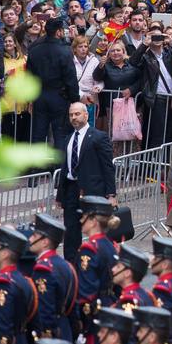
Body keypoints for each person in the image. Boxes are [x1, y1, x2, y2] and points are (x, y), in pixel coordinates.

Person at [54, 102, 117, 262]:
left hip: (92, 192)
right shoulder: (68, 139)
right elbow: (64, 167)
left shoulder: (98, 137)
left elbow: (107, 167)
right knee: (71, 232)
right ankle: (72, 267)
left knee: (96, 231)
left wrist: (111, 194)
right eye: (71, 115)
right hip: (71, 191)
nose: (74, 117)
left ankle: (98, 263)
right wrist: (60, 195)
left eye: (77, 114)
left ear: (86, 115)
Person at [74, 196, 119, 344]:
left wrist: (83, 326)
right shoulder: (109, 245)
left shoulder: (89, 250)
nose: (81, 220)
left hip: (94, 318)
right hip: (109, 307)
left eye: (84, 217)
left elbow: (86, 295)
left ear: (93, 220)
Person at [26, 17, 80, 151]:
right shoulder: (65, 51)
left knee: (38, 134)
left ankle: (36, 169)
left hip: (39, 96)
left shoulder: (34, 49)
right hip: (59, 97)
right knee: (60, 134)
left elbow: (29, 75)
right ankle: (59, 169)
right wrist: (75, 99)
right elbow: (70, 77)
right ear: (59, 32)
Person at [29, 213, 78, 341]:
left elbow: (45, 309)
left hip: (51, 335)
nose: (30, 239)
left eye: (34, 236)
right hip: (65, 328)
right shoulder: (65, 265)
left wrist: (45, 334)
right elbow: (73, 305)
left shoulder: (43, 270)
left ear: (45, 242)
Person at [130, 30, 172, 149]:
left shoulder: (169, 53)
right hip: (157, 98)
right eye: (154, 36)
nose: (157, 38)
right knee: (157, 133)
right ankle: (154, 164)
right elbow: (132, 62)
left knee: (171, 132)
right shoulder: (145, 56)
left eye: (159, 35)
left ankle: (166, 162)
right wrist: (144, 44)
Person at [92, 39, 143, 125]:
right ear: (109, 54)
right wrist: (100, 66)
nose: (115, 53)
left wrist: (131, 89)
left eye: (118, 50)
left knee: (132, 133)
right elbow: (96, 77)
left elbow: (141, 80)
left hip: (132, 105)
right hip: (112, 107)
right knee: (114, 134)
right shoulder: (106, 66)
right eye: (112, 51)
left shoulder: (132, 64)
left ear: (123, 52)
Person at [112, 243, 155, 312]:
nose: (113, 269)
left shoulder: (128, 300)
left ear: (127, 273)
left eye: (118, 267)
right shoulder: (146, 294)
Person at [72, 35, 103, 120]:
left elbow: (100, 80)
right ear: (74, 49)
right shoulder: (70, 61)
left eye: (85, 46)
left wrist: (98, 87)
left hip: (91, 100)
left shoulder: (94, 61)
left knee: (90, 127)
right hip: (75, 99)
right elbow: (70, 81)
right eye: (80, 46)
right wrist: (81, 95)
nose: (83, 49)